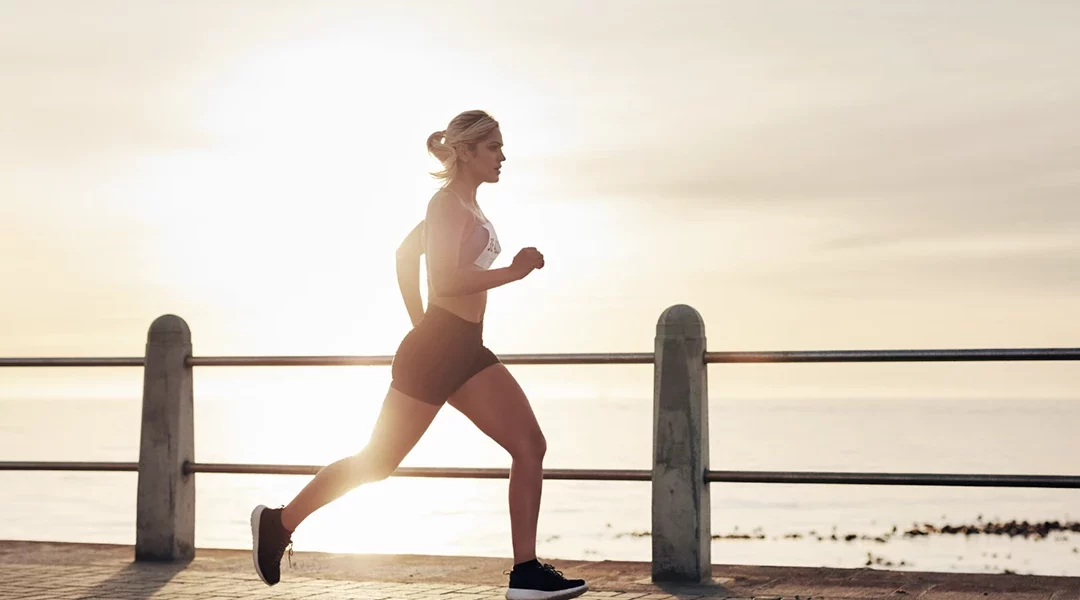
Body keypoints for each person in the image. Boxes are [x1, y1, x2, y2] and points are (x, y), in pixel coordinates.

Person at [250, 110, 589, 600]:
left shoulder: (467, 207)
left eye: (501, 147)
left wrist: (424, 323)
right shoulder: (445, 204)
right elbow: (446, 280)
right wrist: (507, 275)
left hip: (464, 348)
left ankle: (525, 574)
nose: (502, 156)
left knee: (529, 445)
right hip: (438, 350)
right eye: (493, 147)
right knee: (376, 463)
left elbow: (406, 257)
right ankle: (278, 523)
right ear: (467, 152)